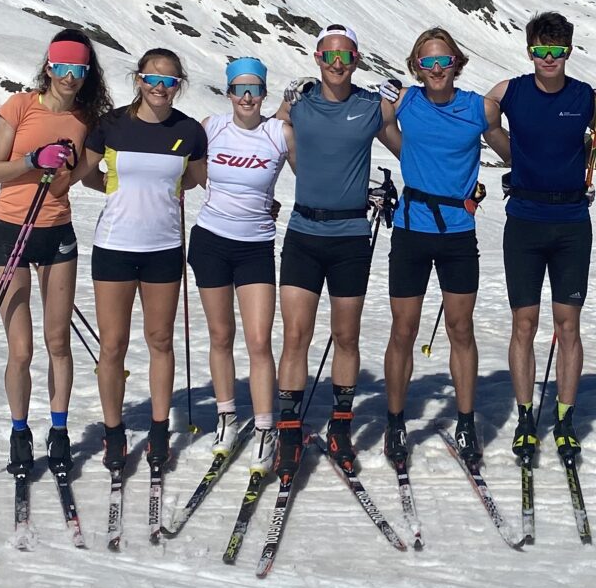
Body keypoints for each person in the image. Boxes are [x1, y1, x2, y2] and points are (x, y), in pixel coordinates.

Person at [0, 29, 111, 483]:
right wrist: (35, 157)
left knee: (58, 342)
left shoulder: (86, 119)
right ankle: (19, 433)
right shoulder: (19, 106)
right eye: (64, 67)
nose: (71, 77)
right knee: (21, 348)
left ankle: (58, 430)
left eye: (81, 69)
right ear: (49, 67)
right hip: (11, 229)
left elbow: (89, 177)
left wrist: (134, 182)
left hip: (56, 232)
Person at [275, 24, 400, 481]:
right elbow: (274, 136)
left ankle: (340, 428)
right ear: (316, 58)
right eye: (329, 56)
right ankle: (290, 434)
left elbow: (410, 148)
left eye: (345, 56)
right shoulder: (299, 104)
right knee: (296, 336)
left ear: (357, 60)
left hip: (349, 236)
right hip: (303, 232)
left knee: (346, 336)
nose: (337, 63)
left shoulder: (372, 106)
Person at [78, 49, 209, 478]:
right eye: (152, 78)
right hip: (115, 245)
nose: (159, 87)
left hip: (165, 247)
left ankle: (158, 429)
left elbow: (193, 177)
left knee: (160, 341)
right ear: (138, 79)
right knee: (112, 344)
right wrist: (116, 191)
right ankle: (114, 431)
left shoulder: (188, 131)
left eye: (169, 81)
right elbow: (87, 173)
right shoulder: (111, 125)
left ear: (179, 86)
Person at [483, 13, 596, 473]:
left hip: (572, 221)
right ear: (529, 50)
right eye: (540, 50)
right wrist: (509, 151)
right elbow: (486, 115)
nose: (548, 59)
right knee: (524, 324)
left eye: (556, 51)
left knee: (567, 326)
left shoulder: (584, 96)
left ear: (568, 51)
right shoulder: (511, 90)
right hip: (526, 221)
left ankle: (565, 418)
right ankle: (526, 416)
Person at [378, 29, 495, 471]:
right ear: (417, 67)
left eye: (444, 60)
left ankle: (466, 421)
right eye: (427, 62)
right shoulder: (406, 100)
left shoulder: (477, 107)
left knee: (460, 329)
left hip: (459, 232)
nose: (437, 69)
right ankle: (395, 422)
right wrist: (407, 155)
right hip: (411, 227)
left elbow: (507, 132)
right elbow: (385, 126)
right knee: (403, 330)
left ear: (457, 63)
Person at [192, 55, 291, 467]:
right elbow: (187, 170)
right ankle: (227, 417)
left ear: (264, 93)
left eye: (254, 89)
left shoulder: (279, 133)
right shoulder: (211, 127)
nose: (246, 97)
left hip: (255, 246)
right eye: (239, 89)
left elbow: (315, 170)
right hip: (210, 240)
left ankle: (266, 429)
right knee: (220, 336)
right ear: (229, 92)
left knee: (258, 341)